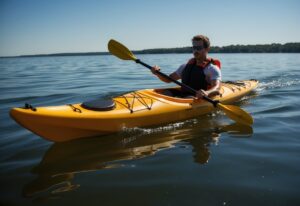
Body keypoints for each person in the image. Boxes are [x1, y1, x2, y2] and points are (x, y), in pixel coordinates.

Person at [151, 35, 221, 99]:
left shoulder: (212, 69)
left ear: (207, 49)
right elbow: (168, 79)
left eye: (199, 48)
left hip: (196, 98)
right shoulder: (184, 67)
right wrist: (157, 73)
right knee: (167, 92)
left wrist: (207, 93)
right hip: (183, 95)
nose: (195, 50)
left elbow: (217, 87)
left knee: (189, 97)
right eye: (194, 48)